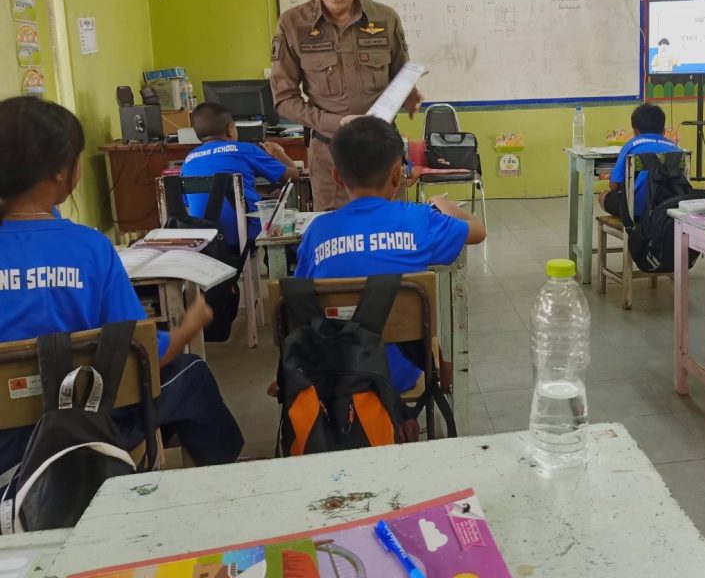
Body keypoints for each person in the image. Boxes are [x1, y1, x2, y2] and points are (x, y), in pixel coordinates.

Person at [0, 96, 244, 474]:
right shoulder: (89, 248)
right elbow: (143, 354)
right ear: (62, 173)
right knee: (191, 373)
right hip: (82, 427)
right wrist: (189, 325)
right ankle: (223, 480)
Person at [294, 117, 486, 393]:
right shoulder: (420, 219)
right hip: (399, 374)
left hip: (333, 373)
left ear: (337, 177)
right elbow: (478, 231)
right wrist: (443, 204)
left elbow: (298, 301)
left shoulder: (317, 231)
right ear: (397, 175)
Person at [270, 0, 421, 211]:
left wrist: (409, 92)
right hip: (331, 156)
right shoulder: (292, 24)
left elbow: (401, 74)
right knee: (335, 230)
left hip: (383, 154)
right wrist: (335, 123)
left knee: (390, 229)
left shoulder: (386, 19)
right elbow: (284, 100)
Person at [180, 102, 299, 250]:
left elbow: (192, 202)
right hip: (243, 234)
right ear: (230, 129)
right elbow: (293, 176)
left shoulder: (188, 160)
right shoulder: (245, 149)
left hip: (204, 241)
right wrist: (277, 151)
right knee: (285, 224)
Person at [600, 103, 705, 222]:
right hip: (672, 206)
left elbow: (613, 186)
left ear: (635, 131)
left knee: (603, 196)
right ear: (663, 131)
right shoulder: (675, 148)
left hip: (637, 210)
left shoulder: (630, 146)